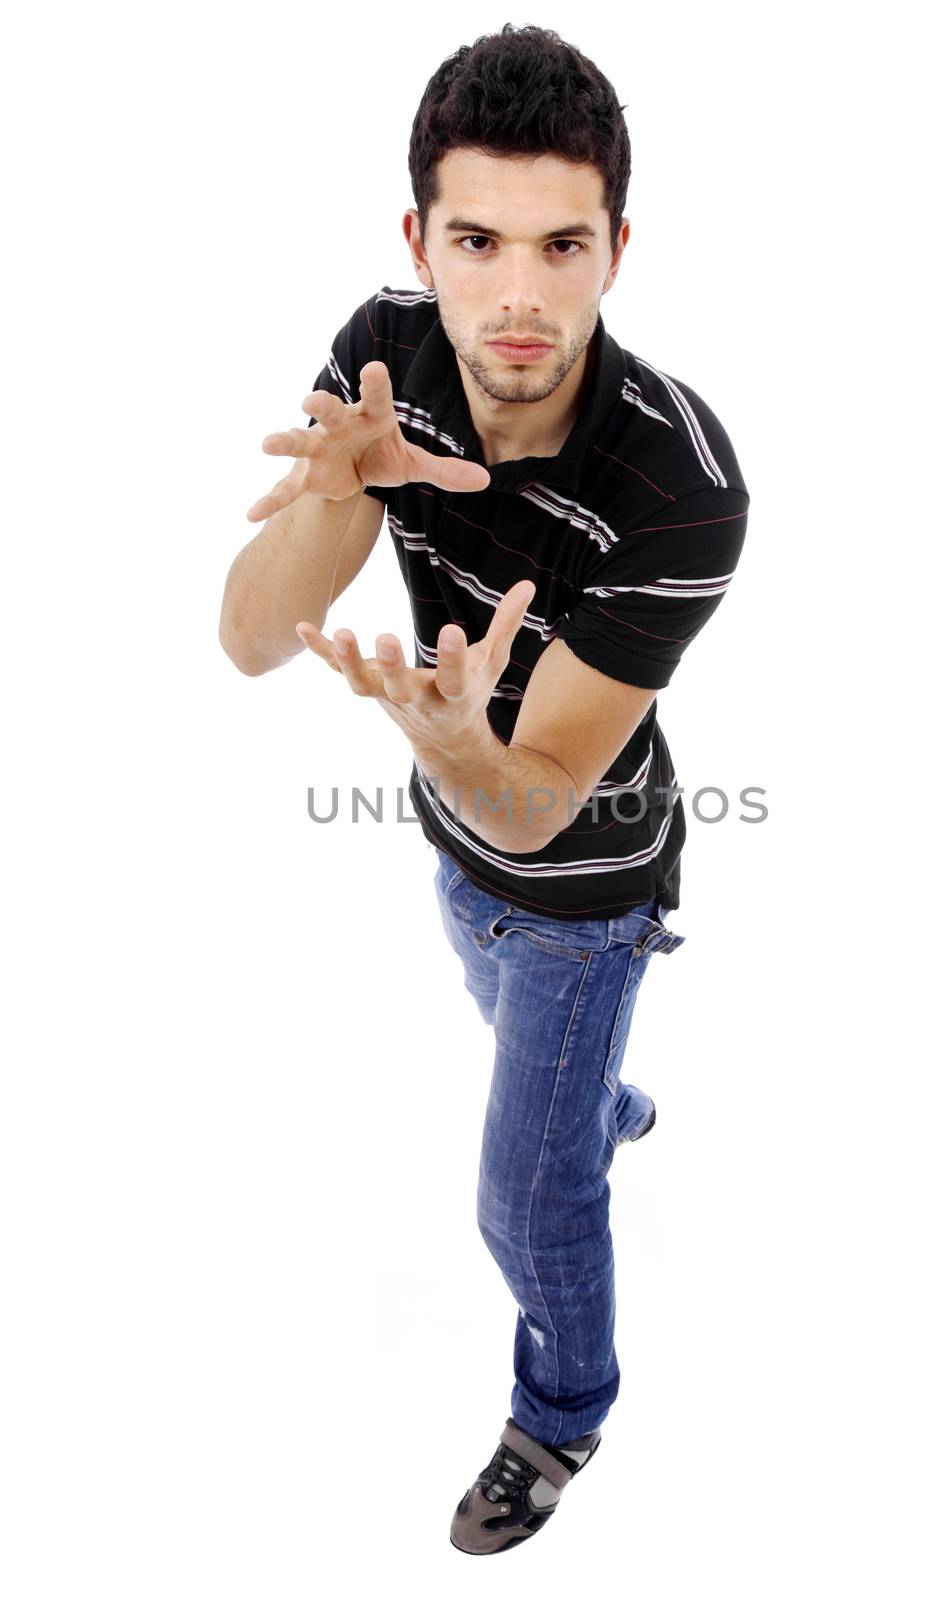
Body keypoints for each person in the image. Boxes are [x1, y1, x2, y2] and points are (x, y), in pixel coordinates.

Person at [219, 23, 749, 1557]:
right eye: (477, 239)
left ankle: (564, 1412)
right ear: (419, 240)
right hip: (455, 852)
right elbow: (251, 642)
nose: (518, 295)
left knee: (522, 1204)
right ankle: (608, 1106)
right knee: (530, 1057)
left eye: (561, 244)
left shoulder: (679, 485)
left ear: (617, 249)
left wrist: (451, 742)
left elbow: (533, 805)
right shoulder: (381, 364)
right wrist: (344, 490)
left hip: (583, 886)